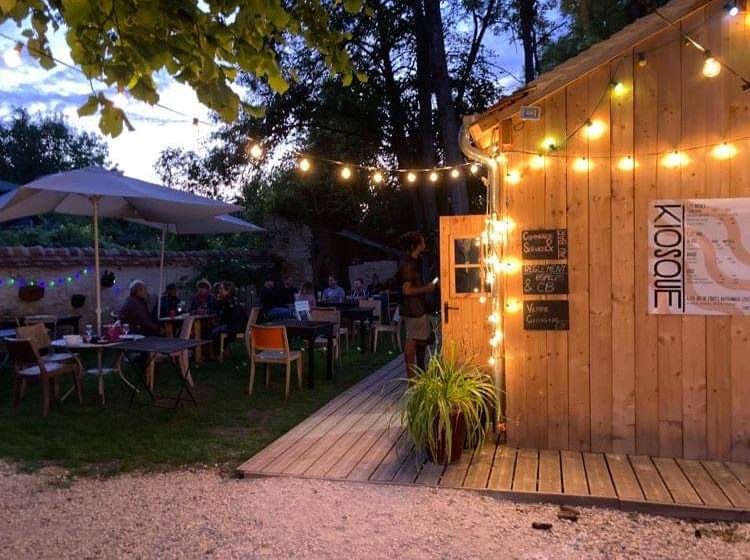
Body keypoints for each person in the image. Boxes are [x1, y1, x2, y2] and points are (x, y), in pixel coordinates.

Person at [397, 231, 436, 377]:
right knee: (412, 339)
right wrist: (426, 288)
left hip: (417, 306)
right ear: (416, 245)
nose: (425, 244)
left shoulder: (415, 262)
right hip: (412, 308)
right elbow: (406, 290)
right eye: (423, 241)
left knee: (418, 339)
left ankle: (418, 373)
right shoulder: (408, 264)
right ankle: (412, 377)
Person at [211, 281, 248, 356]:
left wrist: (218, 301)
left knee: (214, 331)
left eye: (221, 289)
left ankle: (216, 353)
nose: (219, 291)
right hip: (240, 326)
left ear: (227, 290)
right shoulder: (234, 299)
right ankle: (224, 351)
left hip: (234, 327)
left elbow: (222, 314)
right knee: (215, 328)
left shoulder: (228, 301)